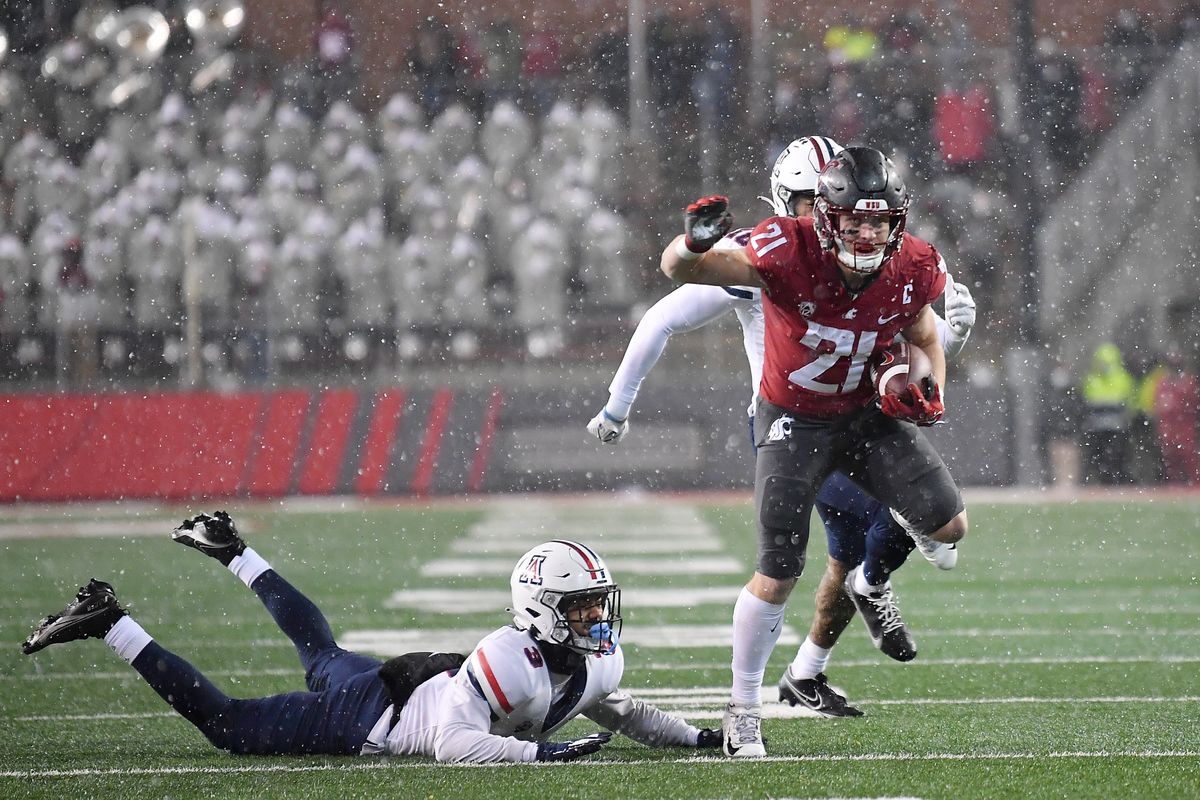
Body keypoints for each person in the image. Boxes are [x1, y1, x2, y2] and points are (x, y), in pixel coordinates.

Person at [588, 137, 976, 719]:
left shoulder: (894, 260)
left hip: (858, 411)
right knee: (857, 538)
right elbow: (664, 312)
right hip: (791, 422)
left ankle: (808, 669)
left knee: (854, 549)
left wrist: (948, 346)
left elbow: (913, 330)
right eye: (813, 202)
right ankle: (864, 593)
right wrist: (617, 407)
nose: (854, 230)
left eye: (870, 218)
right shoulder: (777, 252)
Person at [21, 512, 722, 763]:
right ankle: (109, 619)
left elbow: (625, 711)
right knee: (229, 727)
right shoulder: (514, 655)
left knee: (322, 654)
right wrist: (538, 756)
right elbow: (451, 743)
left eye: (596, 604)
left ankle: (232, 549)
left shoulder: (588, 662)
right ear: (540, 609)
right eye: (580, 607)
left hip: (410, 684)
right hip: (376, 714)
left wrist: (698, 739)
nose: (595, 620)